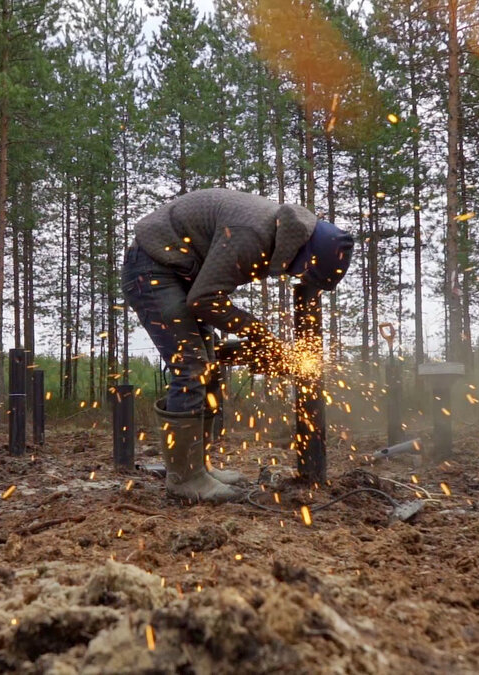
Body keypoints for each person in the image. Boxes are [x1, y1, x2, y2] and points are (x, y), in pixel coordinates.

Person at [121, 188, 355, 503]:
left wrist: (251, 342)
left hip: (180, 271)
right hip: (152, 268)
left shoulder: (280, 231)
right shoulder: (253, 234)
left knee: (208, 366)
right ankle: (184, 479)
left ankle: (196, 467)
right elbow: (204, 299)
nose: (290, 275)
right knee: (190, 367)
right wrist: (258, 333)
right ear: (303, 255)